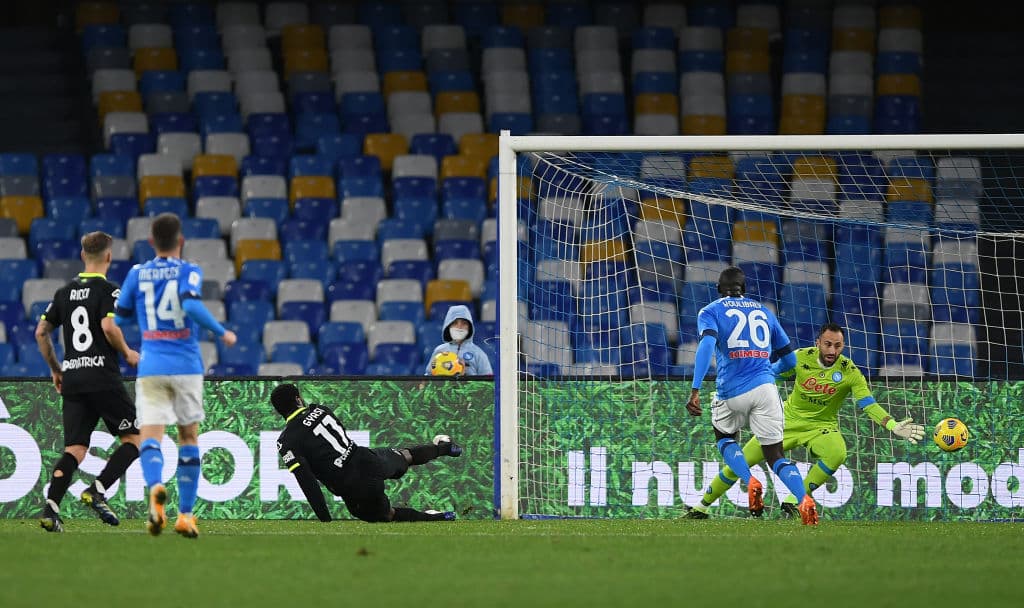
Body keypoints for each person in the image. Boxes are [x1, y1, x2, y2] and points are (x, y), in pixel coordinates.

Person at [687, 323, 925, 519]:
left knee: (837, 452)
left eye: (838, 345)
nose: (832, 350)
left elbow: (868, 403)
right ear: (818, 343)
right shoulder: (799, 358)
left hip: (822, 428)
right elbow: (765, 374)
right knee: (741, 463)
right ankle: (701, 507)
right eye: (828, 344)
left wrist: (893, 425)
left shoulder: (849, 371)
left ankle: (793, 500)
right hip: (784, 422)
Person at [114, 213, 237, 539]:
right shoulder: (189, 270)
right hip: (185, 365)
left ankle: (156, 487)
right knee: (188, 438)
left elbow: (120, 316)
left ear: (152, 242)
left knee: (151, 438)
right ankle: (185, 515)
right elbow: (192, 306)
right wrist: (220, 331)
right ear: (180, 241)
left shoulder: (137, 273)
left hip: (152, 365)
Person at [684, 266, 819, 525]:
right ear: (743, 289)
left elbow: (707, 345)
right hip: (766, 389)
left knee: (724, 437)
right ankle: (804, 499)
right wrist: (768, 374)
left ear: (718, 290)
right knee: (776, 455)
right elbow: (790, 361)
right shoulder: (765, 312)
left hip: (731, 391)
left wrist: (696, 389)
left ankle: (750, 481)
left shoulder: (710, 311)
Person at [35, 231, 142, 532]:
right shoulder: (109, 290)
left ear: (83, 255)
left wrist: (56, 369)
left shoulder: (63, 293)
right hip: (102, 376)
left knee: (75, 449)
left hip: (73, 378)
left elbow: (41, 332)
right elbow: (109, 326)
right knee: (135, 439)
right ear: (109, 256)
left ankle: (50, 509)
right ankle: (97, 490)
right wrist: (128, 352)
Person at [271, 383, 462, 522]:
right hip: (366, 459)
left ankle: (439, 518)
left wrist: (325, 519)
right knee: (406, 456)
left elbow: (307, 481)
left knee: (388, 514)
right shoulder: (320, 409)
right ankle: (444, 448)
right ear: (298, 399)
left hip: (351, 485)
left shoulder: (286, 441)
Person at [423, 304, 493, 376]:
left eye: (464, 323)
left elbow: (488, 383)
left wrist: (465, 377)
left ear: (470, 328)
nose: (459, 327)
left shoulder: (478, 353)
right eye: (454, 323)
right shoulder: (439, 350)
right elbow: (428, 378)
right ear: (448, 326)